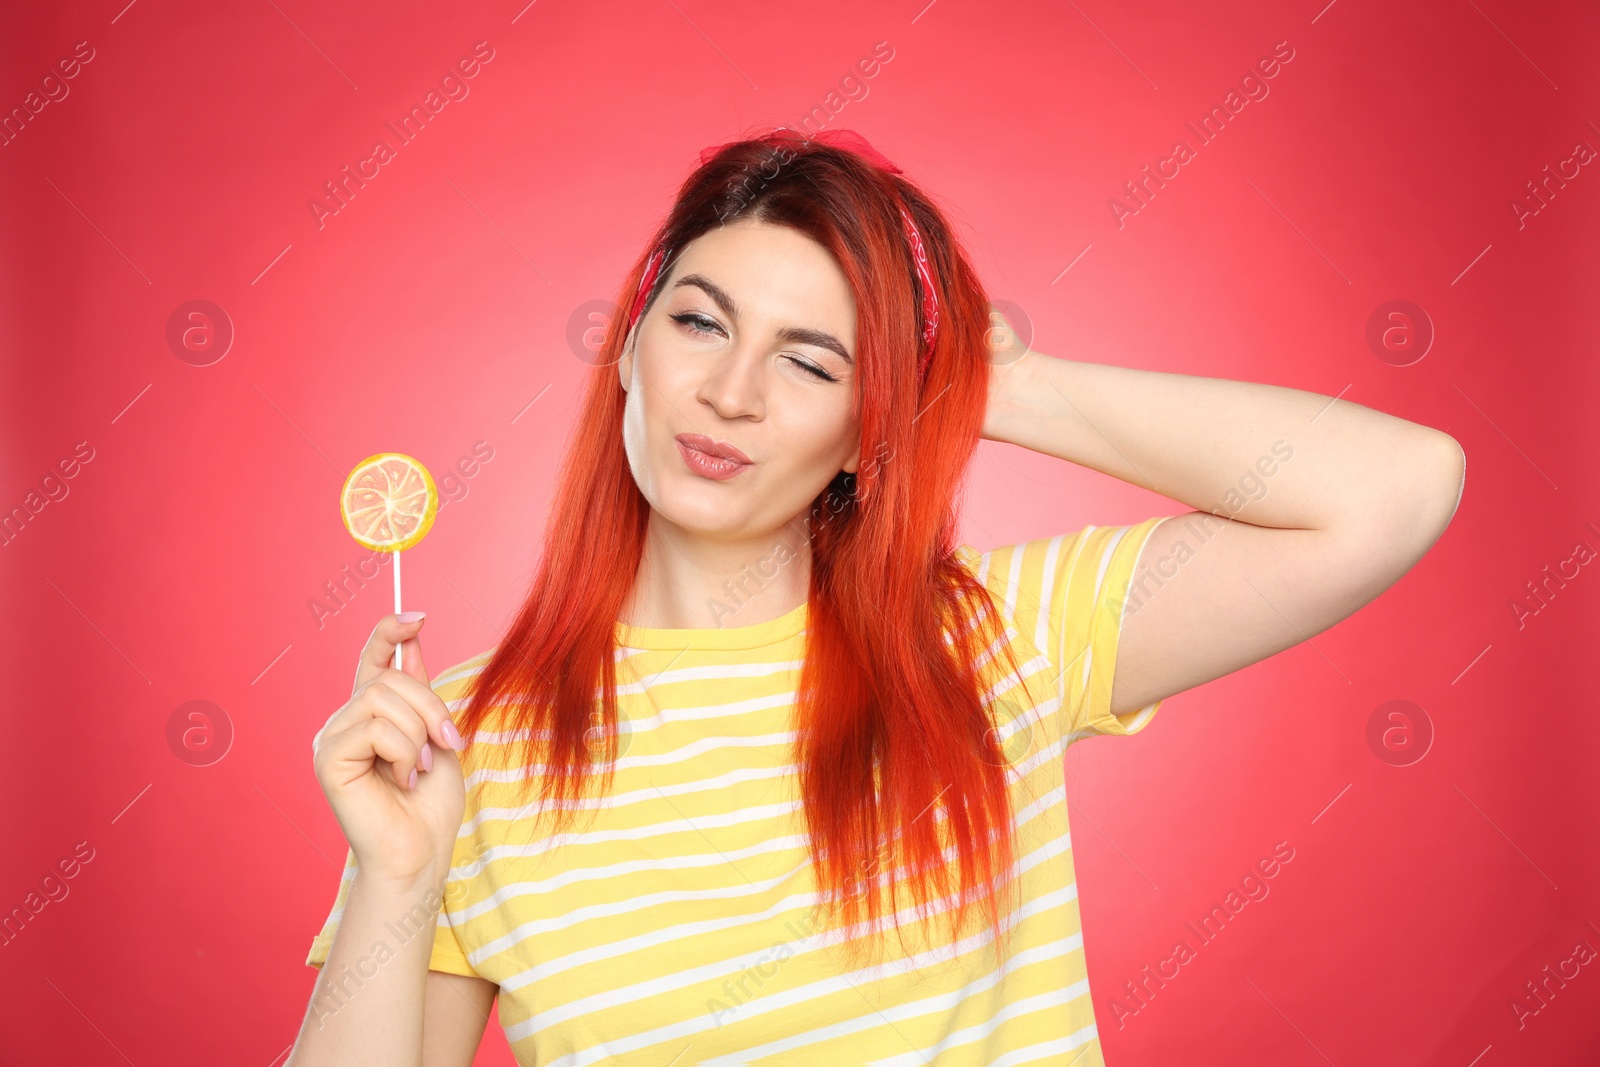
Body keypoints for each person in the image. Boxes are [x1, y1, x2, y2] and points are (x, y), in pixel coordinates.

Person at [287, 127, 1464, 1066]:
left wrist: (984, 385)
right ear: (632, 345)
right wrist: (398, 868)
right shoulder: (459, 742)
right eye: (699, 322)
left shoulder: (993, 638)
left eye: (812, 361)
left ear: (869, 427)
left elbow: (1394, 488)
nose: (733, 392)